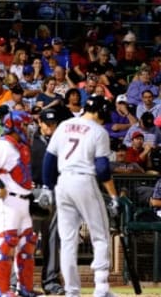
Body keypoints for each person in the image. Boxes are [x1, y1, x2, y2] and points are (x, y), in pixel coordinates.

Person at [42, 96, 119, 297]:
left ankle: (71, 291)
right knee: (100, 234)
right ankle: (101, 287)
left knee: (67, 240)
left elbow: (49, 161)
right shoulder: (98, 131)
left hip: (63, 183)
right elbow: (102, 170)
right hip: (84, 180)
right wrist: (114, 196)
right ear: (101, 112)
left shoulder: (64, 125)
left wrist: (49, 188)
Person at [0, 110, 39, 297]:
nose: (27, 128)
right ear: (14, 126)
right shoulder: (3, 145)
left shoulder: (19, 147)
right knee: (6, 243)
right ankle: (2, 289)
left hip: (22, 201)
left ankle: (25, 288)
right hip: (7, 200)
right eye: (24, 125)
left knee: (27, 244)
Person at [30, 109, 65, 295]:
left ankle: (51, 281)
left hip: (54, 191)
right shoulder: (29, 140)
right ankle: (21, 282)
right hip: (33, 191)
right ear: (40, 123)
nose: (51, 127)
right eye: (47, 123)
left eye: (53, 124)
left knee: (53, 240)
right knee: (29, 239)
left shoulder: (61, 142)